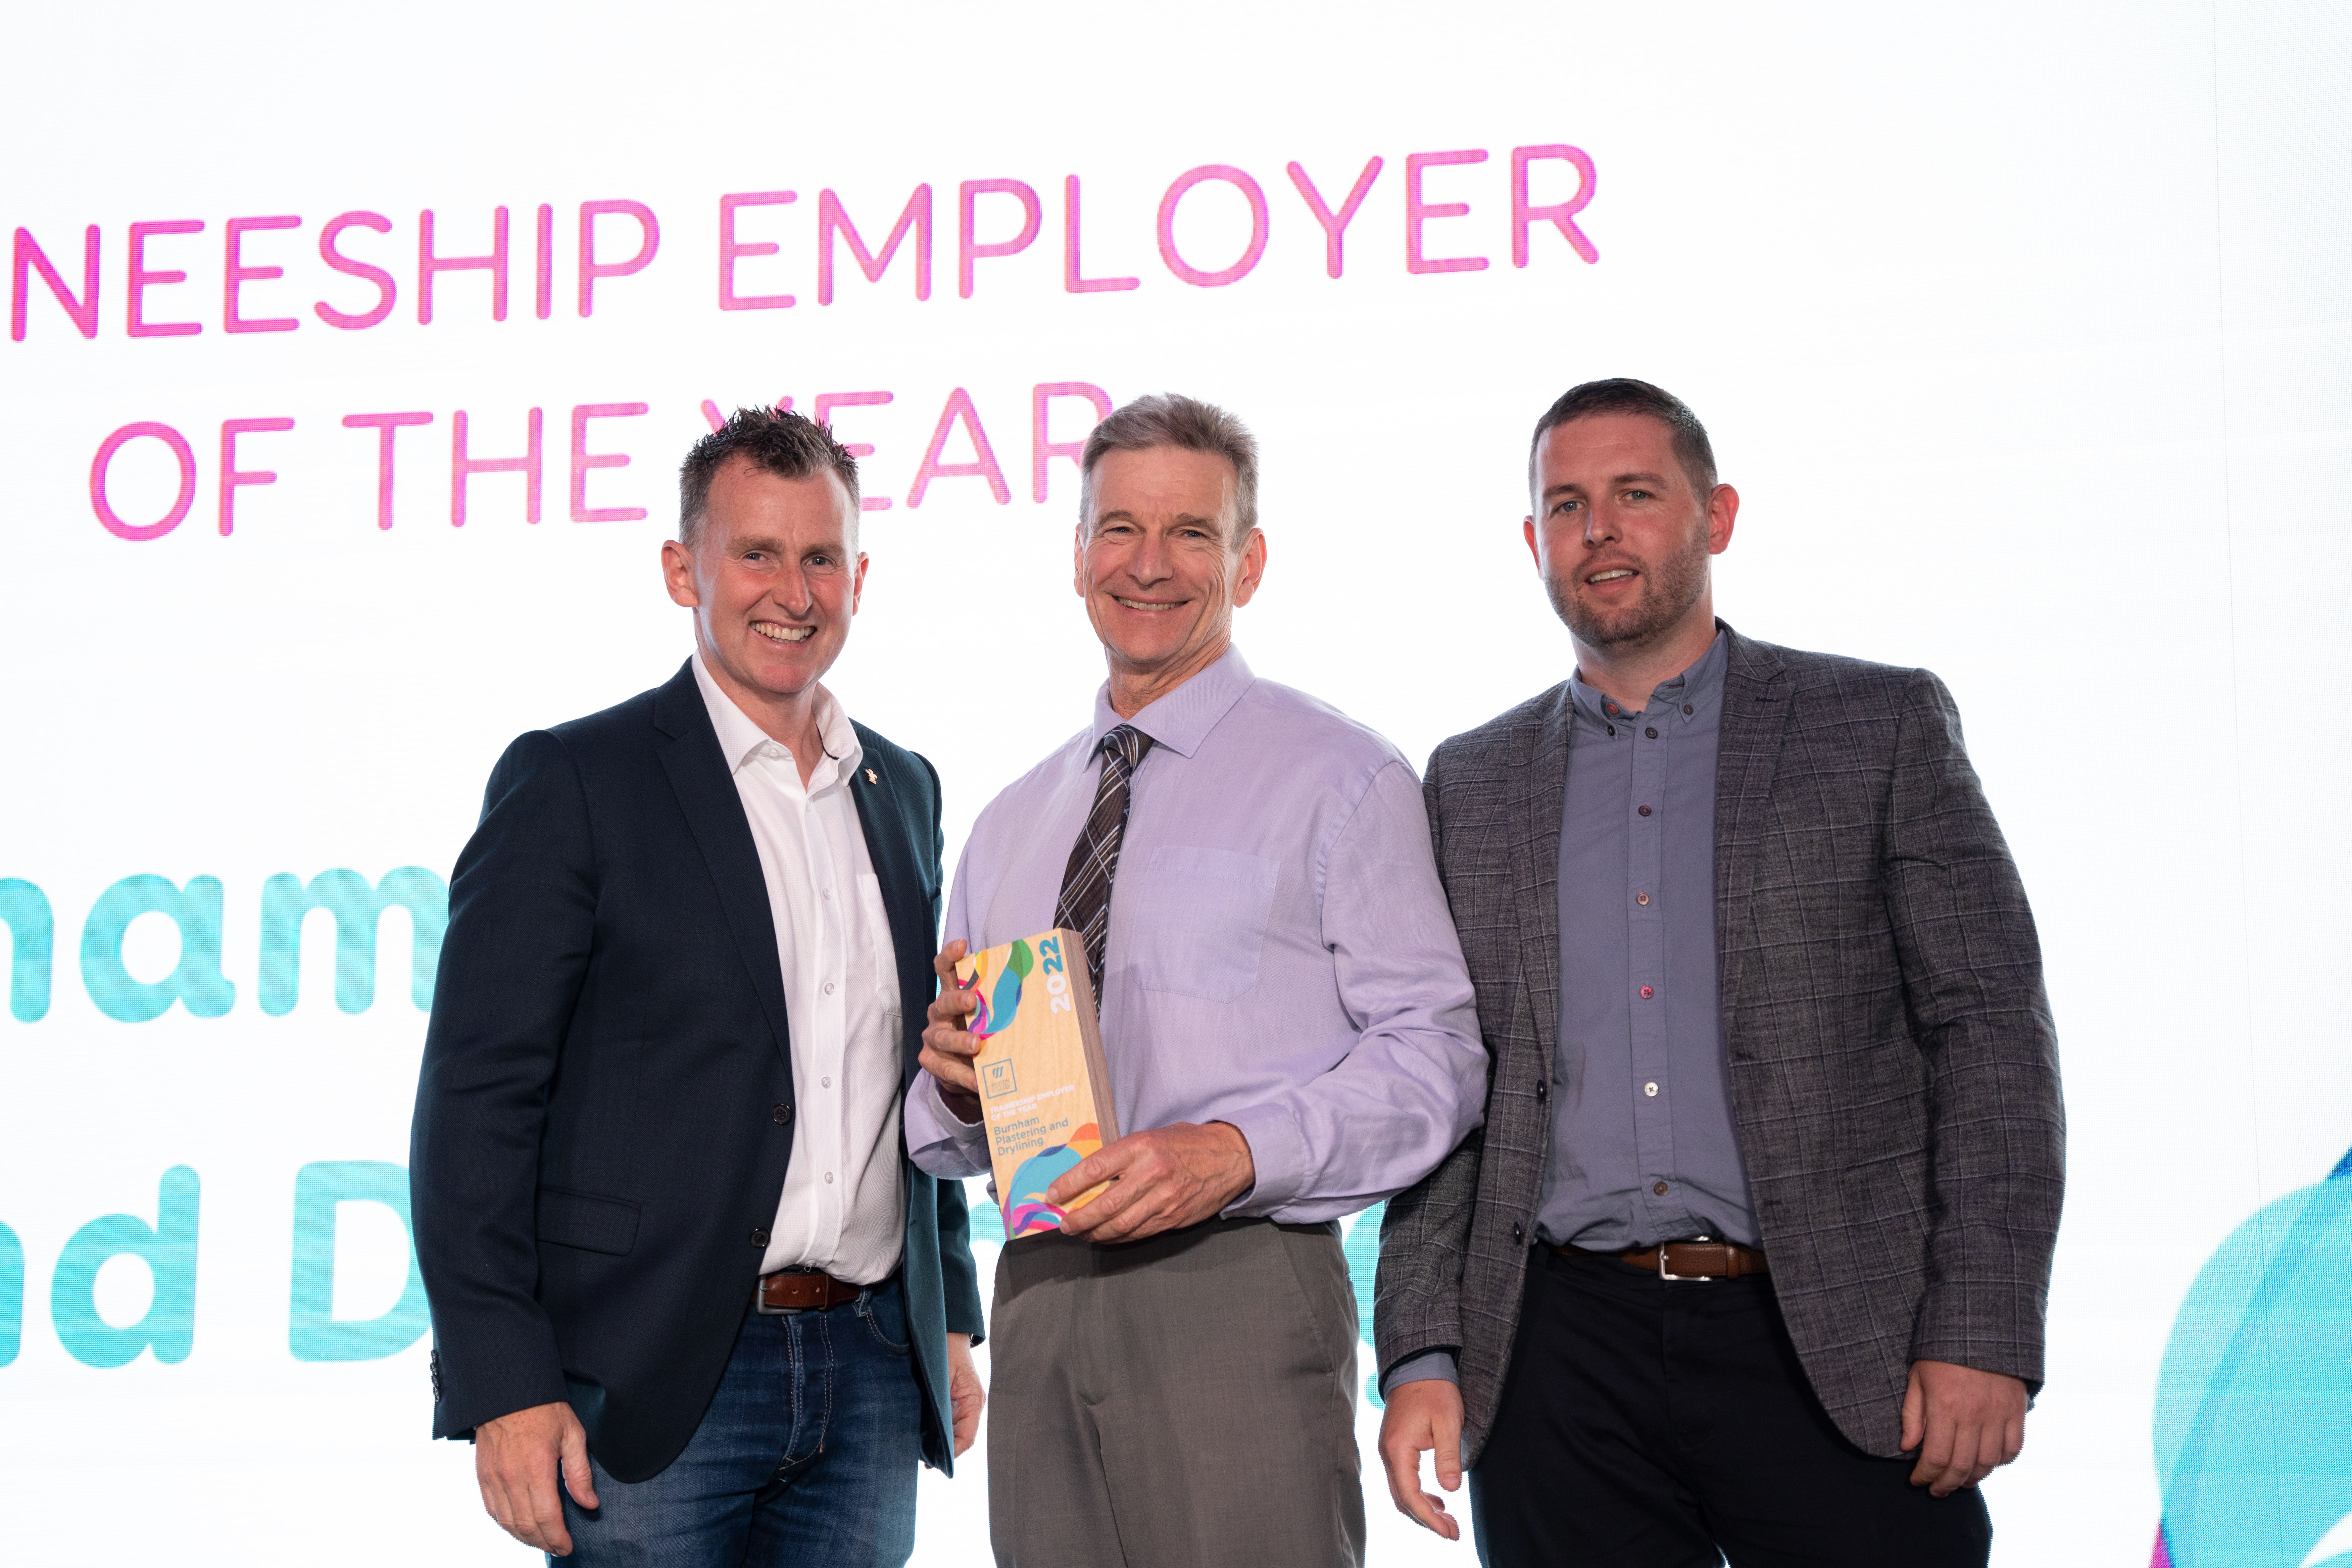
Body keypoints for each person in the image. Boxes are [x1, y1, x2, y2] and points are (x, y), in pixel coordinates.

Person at [1374, 379, 2065, 1566]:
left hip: (1835, 1343)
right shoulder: (1473, 781)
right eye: (1567, 505)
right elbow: (1449, 1081)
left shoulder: (1877, 727)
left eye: (1636, 495)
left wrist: (1983, 1329)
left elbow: (1991, 1039)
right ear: (1533, 540)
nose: (1600, 530)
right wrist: (1424, 1350)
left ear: (1718, 515)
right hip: (1557, 1359)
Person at [906, 393, 1486, 1568]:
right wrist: (959, 1088)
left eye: (1190, 533)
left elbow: (1438, 1058)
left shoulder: (1342, 778)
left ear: (1248, 563)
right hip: (1040, 1289)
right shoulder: (1012, 822)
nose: (1149, 565)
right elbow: (940, 1127)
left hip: (1238, 1279)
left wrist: (1235, 1152)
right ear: (1078, 555)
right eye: (1120, 529)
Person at [409, 407, 986, 1566]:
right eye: (756, 554)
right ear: (685, 570)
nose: (793, 591)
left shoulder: (906, 790)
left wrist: (952, 1313)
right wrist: (502, 1381)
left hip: (871, 1371)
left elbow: (910, 1073)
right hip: (653, 1381)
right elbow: (475, 1108)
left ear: (860, 577)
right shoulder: (576, 780)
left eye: (820, 557)